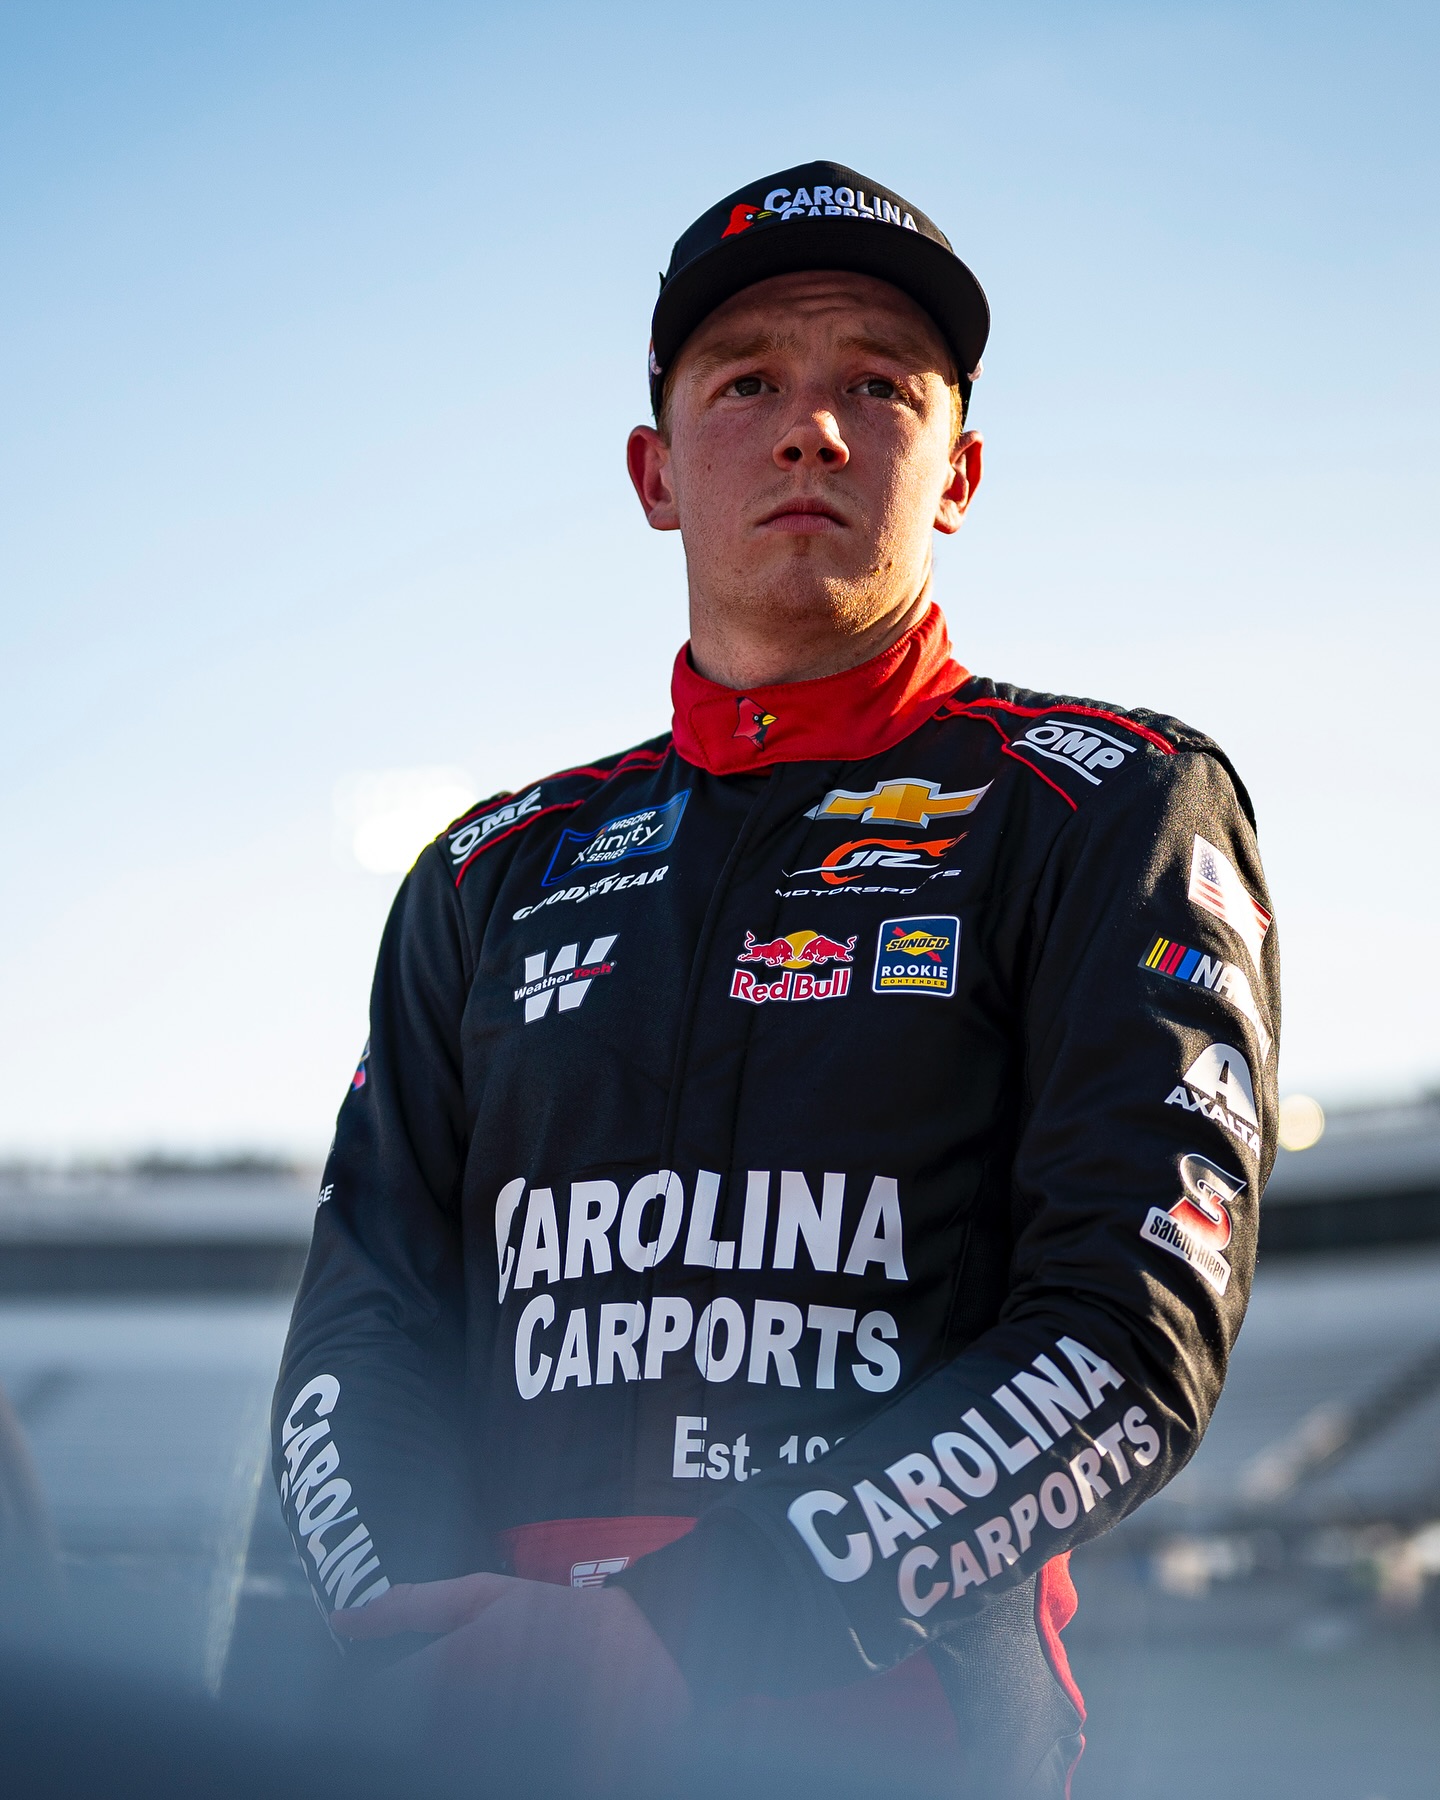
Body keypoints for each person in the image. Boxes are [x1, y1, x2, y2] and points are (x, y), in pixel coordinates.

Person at [271, 161, 1279, 1798]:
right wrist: (413, 1629)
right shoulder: (485, 871)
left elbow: (1129, 1328)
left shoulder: (1112, 804)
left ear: (956, 471)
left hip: (911, 1754)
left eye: (876, 386)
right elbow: (363, 1319)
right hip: (492, 1736)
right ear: (656, 472)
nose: (814, 427)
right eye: (751, 382)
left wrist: (697, 1626)